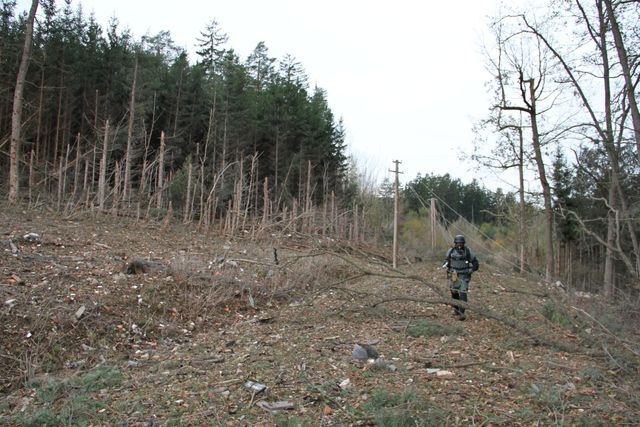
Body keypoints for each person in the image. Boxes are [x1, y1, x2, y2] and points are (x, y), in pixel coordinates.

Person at [442, 235, 479, 320]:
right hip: (453, 275)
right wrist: (445, 264)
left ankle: (462, 313)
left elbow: (476, 263)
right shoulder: (450, 251)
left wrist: (472, 270)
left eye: (461, 243)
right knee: (454, 292)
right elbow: (446, 260)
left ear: (463, 244)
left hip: (464, 275)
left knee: (463, 292)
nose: (459, 245)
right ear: (455, 243)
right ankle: (456, 309)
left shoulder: (468, 251)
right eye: (458, 243)